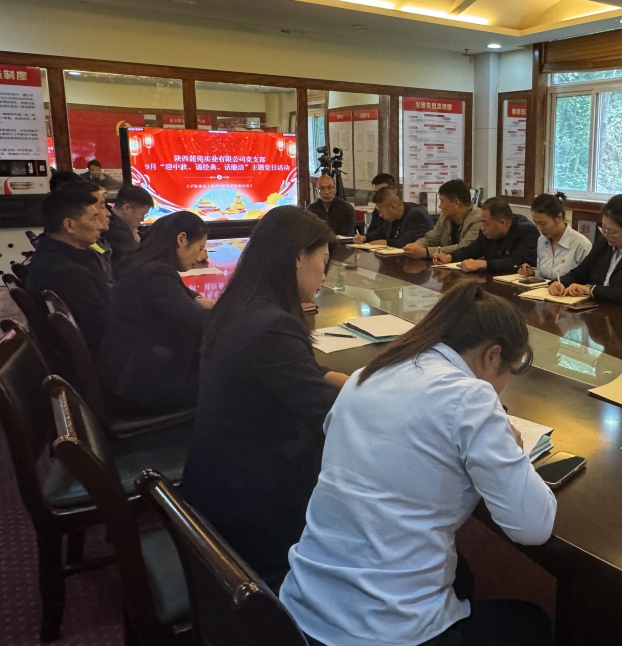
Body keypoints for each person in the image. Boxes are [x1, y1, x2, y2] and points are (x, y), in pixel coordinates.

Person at [281, 282, 556, 646]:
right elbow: (533, 527)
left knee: (462, 575)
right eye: (507, 373)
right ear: (493, 355)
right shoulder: (470, 395)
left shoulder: (368, 373)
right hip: (383, 631)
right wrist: (513, 449)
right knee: (531, 622)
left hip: (304, 605)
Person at [182, 207, 350, 587]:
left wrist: (334, 377)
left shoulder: (241, 304)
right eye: (323, 261)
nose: (324, 276)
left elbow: (284, 370)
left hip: (218, 478)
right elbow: (330, 414)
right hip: (253, 506)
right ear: (299, 257)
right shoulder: (273, 326)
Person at [101, 212, 211, 420]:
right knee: (232, 379)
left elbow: (177, 295)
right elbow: (201, 325)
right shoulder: (155, 274)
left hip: (126, 373)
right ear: (181, 239)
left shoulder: (144, 264)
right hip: (142, 387)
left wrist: (197, 299)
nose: (199, 257)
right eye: (200, 248)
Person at [24, 189, 111, 357]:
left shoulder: (64, 256)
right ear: (70, 225)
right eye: (93, 218)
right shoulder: (64, 272)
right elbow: (102, 328)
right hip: (105, 359)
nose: (100, 226)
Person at [548, 189, 622, 305]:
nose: (607, 235)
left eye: (613, 232)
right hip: (593, 309)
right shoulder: (603, 243)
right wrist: (559, 283)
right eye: (604, 228)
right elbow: (579, 273)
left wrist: (589, 290)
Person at [433, 197, 539, 274]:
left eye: (485, 223)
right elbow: (472, 249)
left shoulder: (527, 231)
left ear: (502, 222)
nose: (482, 228)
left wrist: (482, 264)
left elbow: (515, 263)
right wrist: (450, 257)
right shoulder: (487, 232)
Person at [519, 192, 591, 281]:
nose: (539, 228)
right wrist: (533, 272)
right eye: (536, 223)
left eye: (543, 223)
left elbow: (587, 280)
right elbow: (544, 274)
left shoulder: (581, 244)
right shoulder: (542, 240)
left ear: (559, 218)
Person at [402, 179, 482, 259]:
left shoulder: (478, 219)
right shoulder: (445, 216)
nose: (440, 206)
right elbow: (431, 238)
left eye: (442, 201)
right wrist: (416, 246)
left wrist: (426, 252)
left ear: (456, 203)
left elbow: (464, 248)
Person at [102, 185, 154, 278]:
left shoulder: (116, 223)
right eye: (142, 214)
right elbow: (136, 265)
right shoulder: (117, 232)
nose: (142, 219)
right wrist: (137, 243)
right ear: (127, 208)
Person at [354, 186, 434, 248]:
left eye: (381, 211)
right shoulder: (391, 217)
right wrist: (365, 237)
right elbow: (382, 231)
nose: (380, 215)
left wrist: (386, 242)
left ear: (393, 207)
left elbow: (409, 241)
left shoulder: (417, 215)